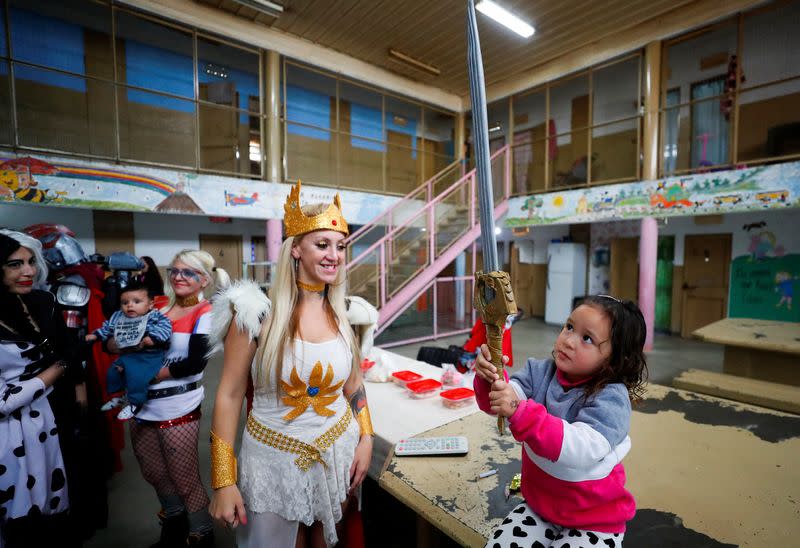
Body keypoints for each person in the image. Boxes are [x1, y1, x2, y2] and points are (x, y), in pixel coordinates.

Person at [209, 181, 374, 547]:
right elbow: (230, 395)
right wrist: (224, 479)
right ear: (296, 248)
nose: (334, 255)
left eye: (340, 246)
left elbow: (354, 385)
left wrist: (365, 437)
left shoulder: (341, 312)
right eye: (322, 244)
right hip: (272, 464)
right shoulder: (254, 313)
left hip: (338, 453)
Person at [474, 295, 647, 548]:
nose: (568, 340)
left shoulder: (612, 399)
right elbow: (504, 403)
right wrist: (491, 379)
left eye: (587, 338)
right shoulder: (540, 372)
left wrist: (520, 411)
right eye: (569, 327)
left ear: (615, 359)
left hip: (594, 520)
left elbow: (580, 448)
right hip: (540, 507)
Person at [107, 249, 228, 547]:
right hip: (141, 402)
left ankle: (201, 534)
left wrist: (148, 373)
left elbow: (194, 363)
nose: (179, 277)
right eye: (175, 270)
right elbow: (117, 340)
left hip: (178, 404)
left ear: (204, 280)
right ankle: (173, 528)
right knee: (153, 471)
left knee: (184, 478)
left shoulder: (207, 313)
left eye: (189, 272)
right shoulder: (156, 309)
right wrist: (115, 343)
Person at [0, 231, 77, 547]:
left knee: (48, 513)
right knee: (17, 519)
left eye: (31, 262)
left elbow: (67, 348)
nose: (28, 271)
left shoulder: (39, 302)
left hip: (46, 424)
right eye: (15, 265)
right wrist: (58, 369)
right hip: (7, 438)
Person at [86, 281, 172, 420]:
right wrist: (96, 335)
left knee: (137, 379)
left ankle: (135, 404)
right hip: (129, 354)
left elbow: (165, 327)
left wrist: (154, 338)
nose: (130, 305)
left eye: (136, 301)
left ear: (150, 304)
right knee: (112, 373)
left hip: (149, 356)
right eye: (125, 302)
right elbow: (107, 328)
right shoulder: (119, 317)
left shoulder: (154, 316)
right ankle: (118, 397)